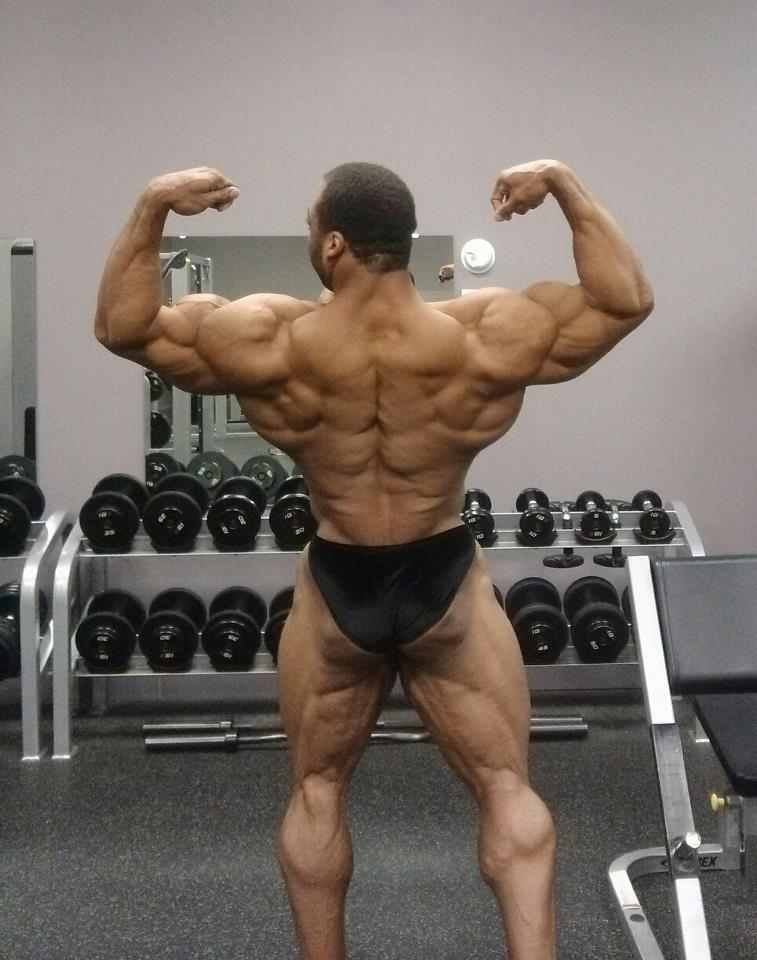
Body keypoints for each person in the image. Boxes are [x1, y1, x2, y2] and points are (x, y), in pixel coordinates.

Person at [95, 159, 653, 960]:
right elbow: (623, 301)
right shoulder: (484, 332)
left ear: (332, 244)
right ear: (403, 242)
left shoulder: (268, 337)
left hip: (339, 582)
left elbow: (124, 328)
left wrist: (152, 204)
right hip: (443, 577)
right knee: (506, 789)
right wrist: (562, 183)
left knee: (317, 791)